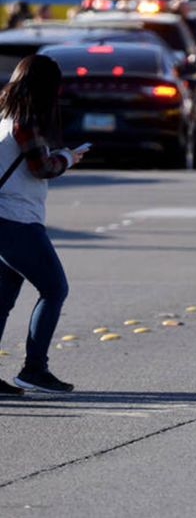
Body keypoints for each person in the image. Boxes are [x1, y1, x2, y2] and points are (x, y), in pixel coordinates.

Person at [0, 55, 89, 395]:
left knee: (3, 299)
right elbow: (42, 168)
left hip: (6, 219)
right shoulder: (26, 121)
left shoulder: (6, 117)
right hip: (17, 220)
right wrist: (67, 157)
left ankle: (31, 370)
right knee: (54, 289)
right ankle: (34, 369)